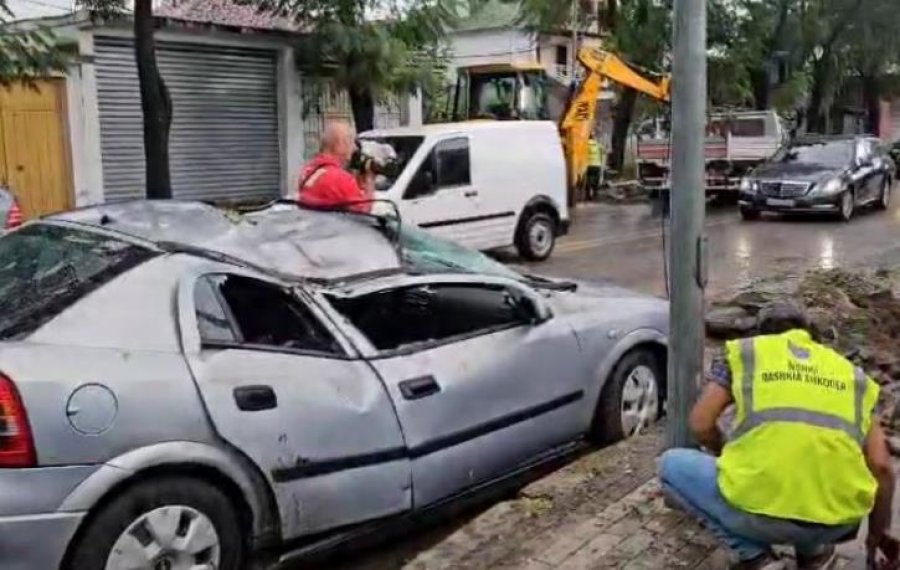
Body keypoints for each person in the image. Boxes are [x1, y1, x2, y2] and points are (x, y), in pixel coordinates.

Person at [659, 303, 896, 570]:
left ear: (760, 333)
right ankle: (815, 553)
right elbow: (882, 467)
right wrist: (878, 534)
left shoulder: (748, 355)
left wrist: (725, 450)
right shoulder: (852, 375)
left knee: (671, 465)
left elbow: (700, 424)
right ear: (811, 334)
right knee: (810, 473)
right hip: (839, 523)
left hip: (762, 512)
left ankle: (755, 557)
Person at [298, 121, 375, 213]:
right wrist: (370, 181)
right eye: (351, 142)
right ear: (340, 144)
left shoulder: (308, 171)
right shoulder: (341, 179)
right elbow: (363, 212)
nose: (355, 148)